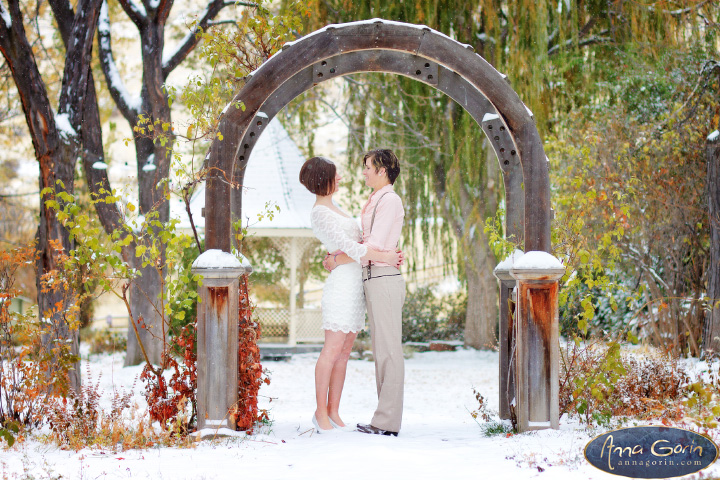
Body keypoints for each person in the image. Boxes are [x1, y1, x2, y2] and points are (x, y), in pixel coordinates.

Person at [298, 156, 402, 434]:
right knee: (331, 351)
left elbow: (355, 244)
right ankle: (320, 412)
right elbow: (349, 245)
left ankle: (334, 410)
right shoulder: (320, 212)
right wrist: (385, 256)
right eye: (336, 175)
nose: (341, 178)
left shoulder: (335, 207)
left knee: (344, 353)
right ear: (324, 178)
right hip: (342, 286)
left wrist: (344, 255)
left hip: (356, 284)